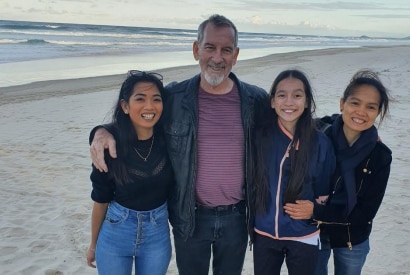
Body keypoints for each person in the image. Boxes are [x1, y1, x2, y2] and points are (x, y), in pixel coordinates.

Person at [89, 15, 268, 275]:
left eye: (226, 50)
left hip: (237, 217)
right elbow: (138, 119)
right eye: (210, 47)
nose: (217, 58)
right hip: (190, 217)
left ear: (236, 55)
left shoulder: (256, 100)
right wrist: (101, 131)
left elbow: (293, 123)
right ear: (196, 50)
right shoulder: (173, 98)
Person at [284, 69, 392, 275]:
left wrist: (316, 211)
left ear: (377, 113)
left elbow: (366, 212)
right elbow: (283, 129)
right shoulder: (317, 131)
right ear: (342, 103)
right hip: (313, 231)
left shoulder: (380, 155)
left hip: (352, 236)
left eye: (371, 107)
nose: (361, 112)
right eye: (355, 103)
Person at [86, 70, 175, 275]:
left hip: (157, 233)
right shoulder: (109, 146)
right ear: (125, 106)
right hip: (116, 231)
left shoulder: (170, 140)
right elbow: (100, 198)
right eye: (140, 99)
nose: (149, 106)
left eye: (156, 99)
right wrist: (93, 245)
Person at [250, 69, 336, 275]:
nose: (289, 102)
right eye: (281, 95)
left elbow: (325, 189)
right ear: (272, 102)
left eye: (297, 95)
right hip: (264, 233)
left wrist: (314, 210)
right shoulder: (259, 137)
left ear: (306, 102)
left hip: (303, 235)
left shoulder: (321, 142)